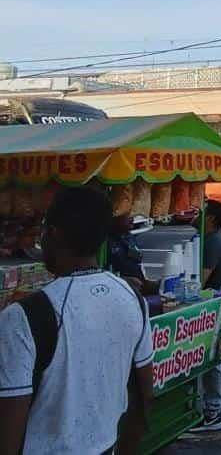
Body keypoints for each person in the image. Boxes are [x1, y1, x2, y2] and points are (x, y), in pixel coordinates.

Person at [0, 186, 154, 454]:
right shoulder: (132, 298)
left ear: (54, 233)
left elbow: (9, 424)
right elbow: (143, 397)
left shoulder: (23, 317)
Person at [189, 199, 221, 432]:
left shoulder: (213, 243)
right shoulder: (206, 240)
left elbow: (199, 281)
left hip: (212, 306)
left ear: (211, 219)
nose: (196, 215)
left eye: (201, 212)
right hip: (209, 304)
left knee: (211, 358)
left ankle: (213, 411)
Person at [109, 213, 159, 295]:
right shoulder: (107, 242)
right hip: (121, 289)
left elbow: (137, 259)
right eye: (126, 216)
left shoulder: (129, 236)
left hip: (138, 285)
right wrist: (124, 280)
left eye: (131, 216)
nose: (131, 219)